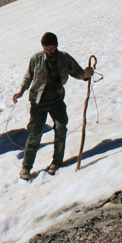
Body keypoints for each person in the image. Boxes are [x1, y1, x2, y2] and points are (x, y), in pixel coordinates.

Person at [12, 32, 93, 180]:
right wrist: (21, 92)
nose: (48, 52)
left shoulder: (64, 58)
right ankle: (26, 168)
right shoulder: (37, 58)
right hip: (38, 101)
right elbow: (28, 76)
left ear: (56, 46)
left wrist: (86, 74)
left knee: (61, 128)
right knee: (35, 134)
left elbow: (78, 72)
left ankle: (56, 162)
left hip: (56, 100)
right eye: (45, 50)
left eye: (51, 49)